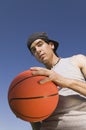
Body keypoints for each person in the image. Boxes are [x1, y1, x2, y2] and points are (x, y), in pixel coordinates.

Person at [26, 32, 86, 130]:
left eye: (40, 44)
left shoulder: (77, 60)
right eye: (33, 50)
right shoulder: (37, 79)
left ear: (51, 45)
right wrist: (29, 113)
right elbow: (36, 123)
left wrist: (64, 81)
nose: (37, 50)